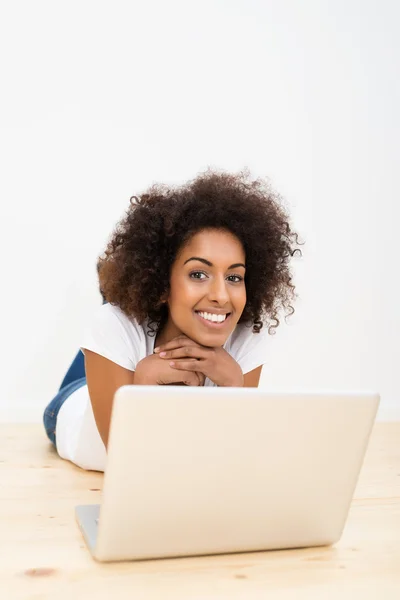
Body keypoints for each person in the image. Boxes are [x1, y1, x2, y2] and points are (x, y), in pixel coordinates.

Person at [43, 169, 302, 471]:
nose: (221, 295)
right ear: (163, 284)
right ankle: (114, 298)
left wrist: (234, 383)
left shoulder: (246, 336)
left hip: (129, 338)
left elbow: (229, 461)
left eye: (234, 277)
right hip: (73, 408)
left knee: (114, 323)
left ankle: (114, 293)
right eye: (198, 274)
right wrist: (141, 385)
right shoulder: (112, 326)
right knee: (111, 320)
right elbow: (131, 469)